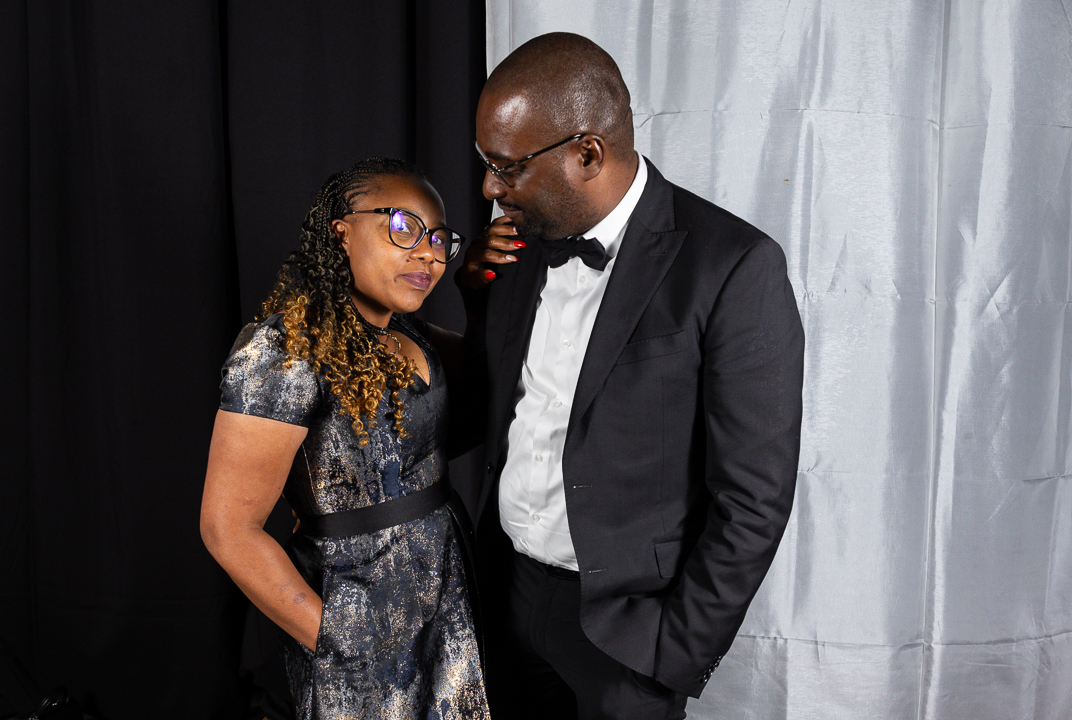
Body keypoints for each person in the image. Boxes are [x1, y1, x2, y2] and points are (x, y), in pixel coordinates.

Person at [457, 33, 805, 720]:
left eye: (507, 167)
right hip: (506, 597)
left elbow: (753, 498)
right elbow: (490, 405)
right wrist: (473, 295)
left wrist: (672, 650)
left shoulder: (735, 267)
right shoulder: (515, 243)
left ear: (587, 153)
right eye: (485, 163)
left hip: (626, 637)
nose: (490, 189)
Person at [200, 157, 489, 720]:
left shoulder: (408, 332)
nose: (428, 254)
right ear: (341, 233)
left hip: (446, 593)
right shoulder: (282, 353)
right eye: (404, 227)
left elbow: (480, 407)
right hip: (356, 607)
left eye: (438, 239)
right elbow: (227, 529)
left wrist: (477, 299)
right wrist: (340, 643)